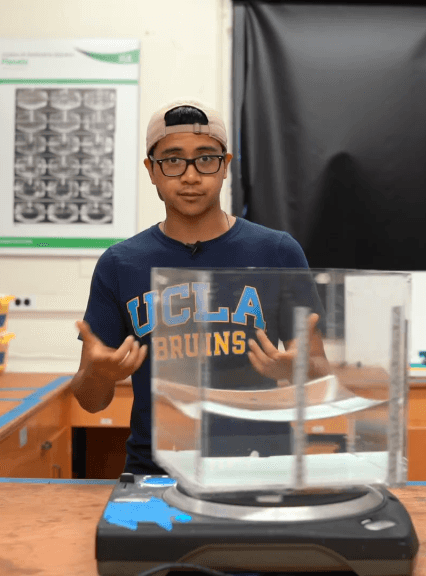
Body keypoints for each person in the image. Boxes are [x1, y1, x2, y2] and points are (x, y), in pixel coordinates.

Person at [71, 99, 327, 476]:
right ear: (152, 171)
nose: (190, 176)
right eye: (173, 160)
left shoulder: (277, 251)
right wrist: (100, 375)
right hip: (157, 471)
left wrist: (297, 370)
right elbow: (91, 402)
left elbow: (320, 374)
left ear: (225, 165)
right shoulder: (121, 264)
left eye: (205, 158)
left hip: (263, 466)